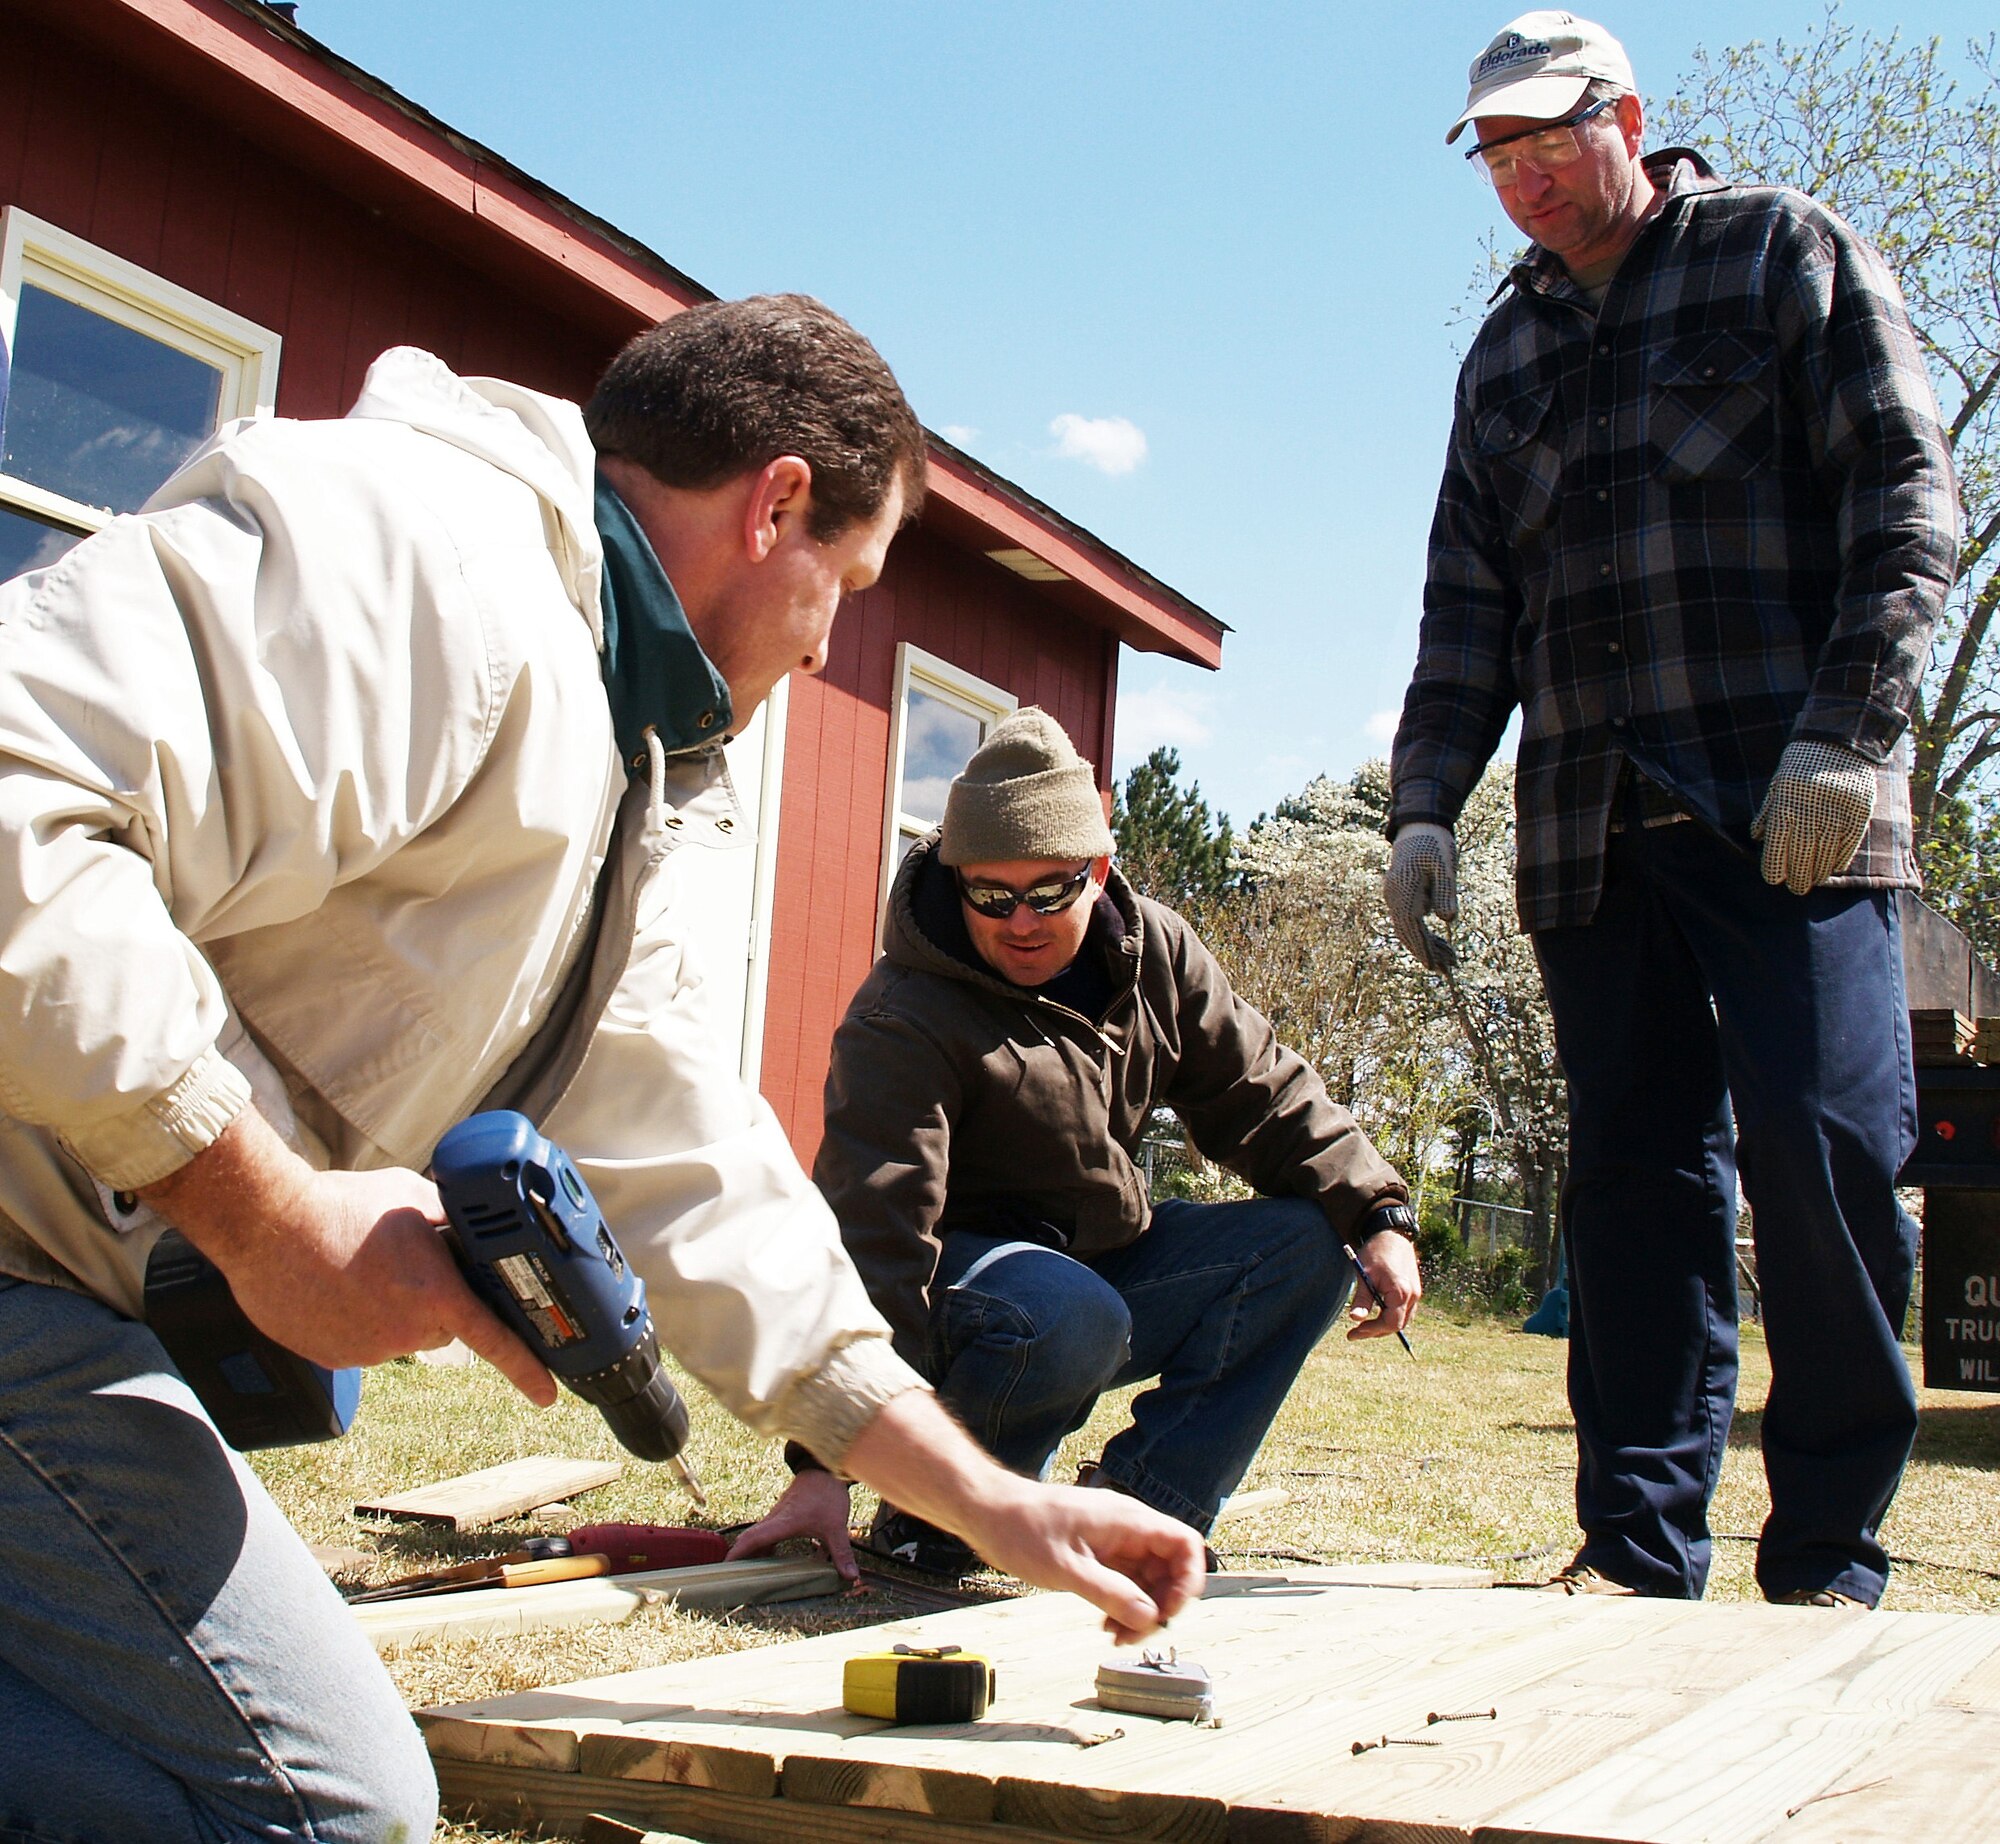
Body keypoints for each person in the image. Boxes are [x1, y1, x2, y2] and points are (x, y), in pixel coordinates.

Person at [0, 296, 1203, 1844]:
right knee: (325, 1811)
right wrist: (259, 1210)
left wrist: (995, 1503)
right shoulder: (428, 562)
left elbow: (693, 1169)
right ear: (775, 506)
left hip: (50, 1290)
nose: (837, 638)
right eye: (849, 579)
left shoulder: (613, 752)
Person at [1384, 15, 1958, 1607]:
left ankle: (1833, 1551)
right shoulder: (1502, 355)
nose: (1523, 175)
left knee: (1828, 1143)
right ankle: (1639, 1549)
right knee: (1637, 1182)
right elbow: (1463, 612)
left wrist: (1848, 741)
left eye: (1549, 138)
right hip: (1590, 831)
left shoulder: (1784, 255)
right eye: (1495, 152)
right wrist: (1425, 806)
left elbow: (1911, 502)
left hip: (1795, 809)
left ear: (1627, 116)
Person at [735, 707, 1422, 1581]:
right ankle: (940, 1511)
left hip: (1099, 1267)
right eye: (991, 895)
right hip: (970, 1292)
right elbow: (877, 1235)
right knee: (1066, 1309)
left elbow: (1266, 1094)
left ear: (1097, 870)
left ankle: (1147, 1511)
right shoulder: (903, 1014)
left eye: (1050, 890)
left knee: (1306, 1243)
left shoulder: (1156, 954)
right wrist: (826, 1459)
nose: (1020, 921)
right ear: (956, 879)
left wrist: (1378, 1215)